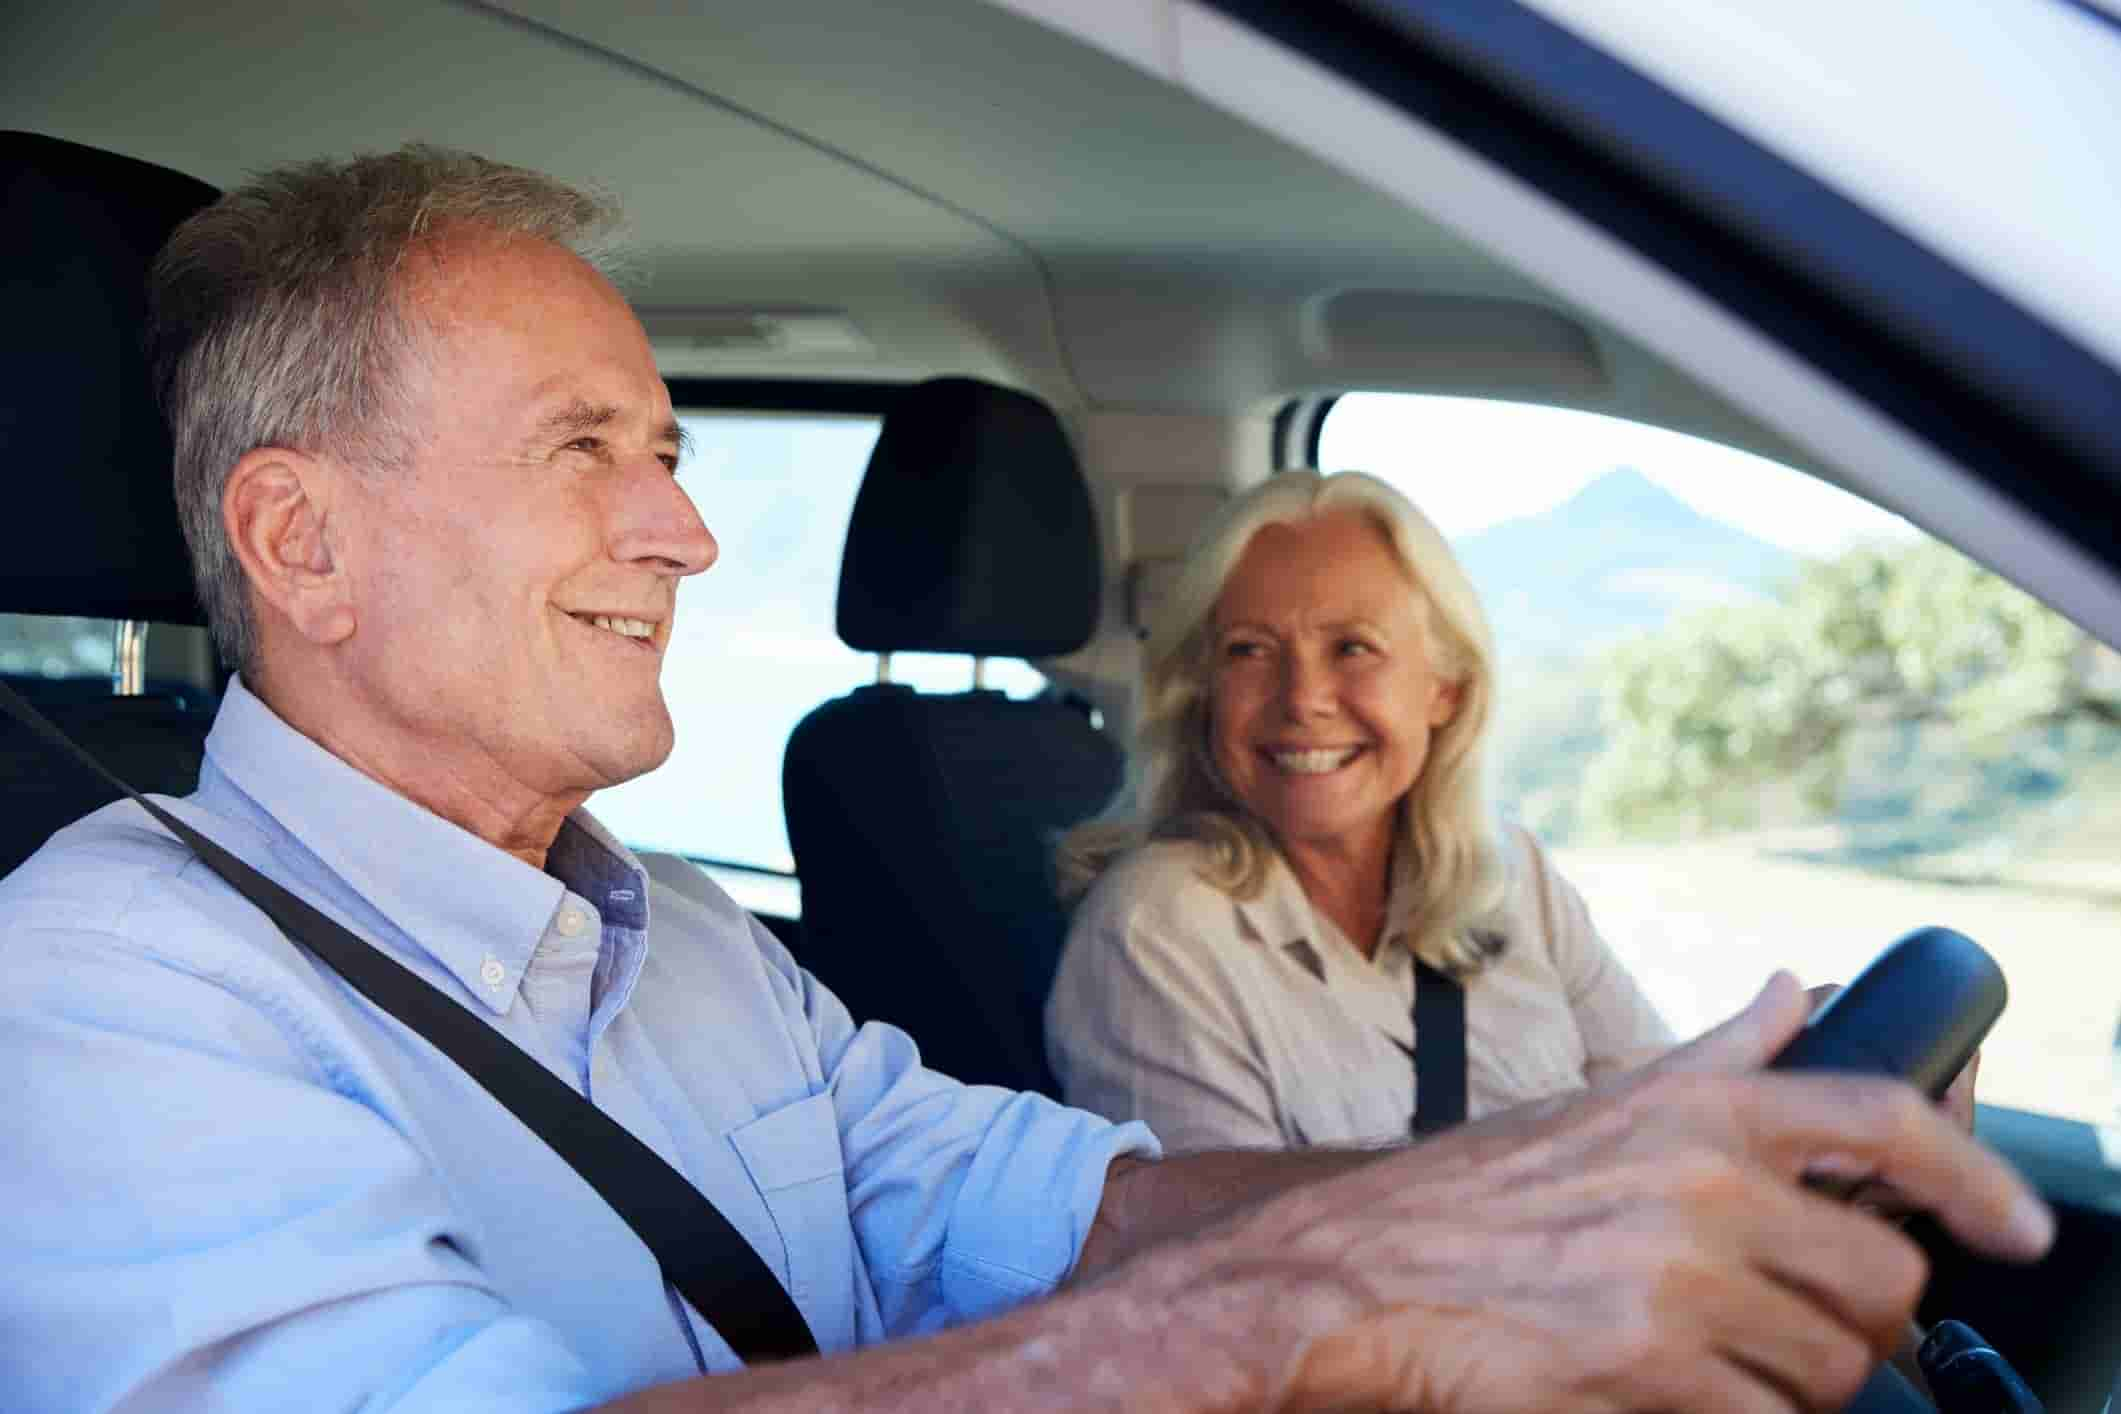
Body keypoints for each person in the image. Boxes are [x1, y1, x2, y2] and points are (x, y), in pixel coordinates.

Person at [0, 146, 2047, 1414]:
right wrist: (1298, 1315)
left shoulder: (685, 932)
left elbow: (1058, 1207)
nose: (685, 538)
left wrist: (1563, 1173)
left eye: (673, 453)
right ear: (300, 541)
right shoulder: (99, 984)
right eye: (580, 453)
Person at [1048, 470, 1681, 1149]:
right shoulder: (1158, 926)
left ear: (1444, 689)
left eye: (1352, 648)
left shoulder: (1510, 872)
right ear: (1203, 692)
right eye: (1249, 651)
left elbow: (1671, 1120)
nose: (1302, 699)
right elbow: (1220, 1242)